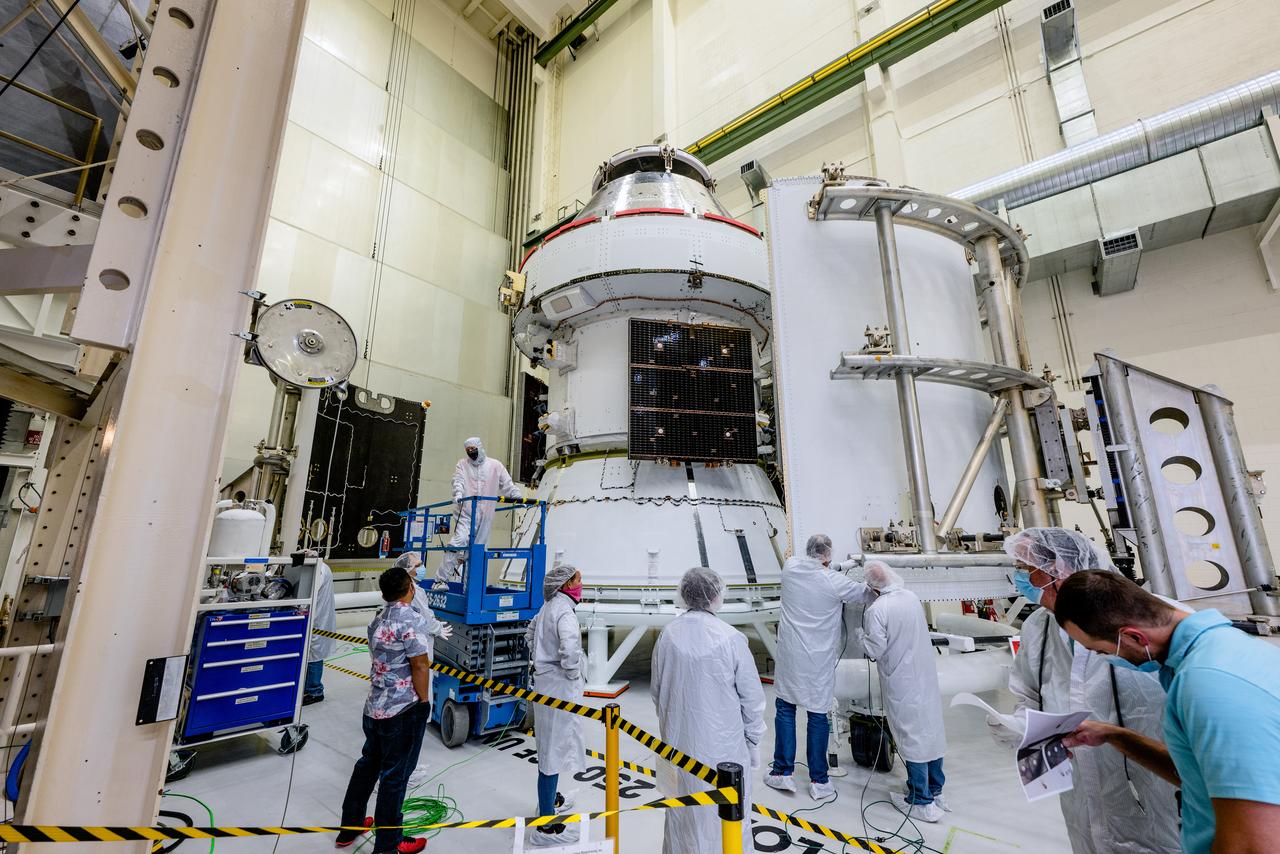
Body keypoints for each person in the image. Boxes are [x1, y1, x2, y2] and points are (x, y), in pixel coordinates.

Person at [1053, 570, 1280, 854]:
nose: (1108, 659)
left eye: (1100, 651)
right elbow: (1199, 774)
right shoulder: (1226, 650)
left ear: (1134, 637)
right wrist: (1114, 735)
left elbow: (1254, 845)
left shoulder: (1210, 684)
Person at [1004, 528, 1180, 854]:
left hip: (1150, 782)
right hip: (1077, 780)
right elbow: (1026, 688)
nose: (1022, 578)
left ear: (1061, 570)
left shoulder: (1151, 617)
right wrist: (1021, 723)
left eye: (1029, 571)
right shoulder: (1038, 626)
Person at [652, 567, 765, 854]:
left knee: (680, 814)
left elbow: (657, 690)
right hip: (723, 752)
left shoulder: (667, 635)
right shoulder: (730, 638)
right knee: (723, 822)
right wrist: (752, 741)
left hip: (675, 745)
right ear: (716, 596)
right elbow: (752, 698)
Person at [767, 534, 875, 800]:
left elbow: (816, 567)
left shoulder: (791, 568)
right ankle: (819, 780)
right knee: (817, 715)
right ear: (828, 555)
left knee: (785, 709)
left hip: (791, 656)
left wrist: (837, 566)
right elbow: (866, 594)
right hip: (818, 661)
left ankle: (782, 773)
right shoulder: (836, 583)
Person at [335, 567, 433, 854]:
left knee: (367, 766)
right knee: (394, 777)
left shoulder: (377, 620)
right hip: (402, 709)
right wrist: (424, 701)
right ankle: (389, 844)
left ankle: (349, 826)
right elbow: (419, 664)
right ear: (409, 589)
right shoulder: (411, 620)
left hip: (375, 706)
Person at [859, 562, 947, 824]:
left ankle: (921, 800)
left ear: (872, 586)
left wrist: (859, 637)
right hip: (924, 676)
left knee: (911, 738)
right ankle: (936, 789)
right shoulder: (911, 597)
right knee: (930, 731)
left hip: (901, 681)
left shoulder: (877, 610)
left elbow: (875, 649)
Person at [524, 563, 586, 847]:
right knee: (552, 753)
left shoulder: (548, 606)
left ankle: (550, 800)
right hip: (559, 690)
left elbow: (529, 634)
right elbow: (570, 648)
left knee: (550, 748)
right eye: (578, 580)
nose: (581, 584)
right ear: (565, 585)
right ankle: (545, 826)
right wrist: (572, 672)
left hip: (545, 686)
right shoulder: (564, 612)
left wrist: (540, 659)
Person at [392, 552, 454, 790]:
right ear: (408, 570)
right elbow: (425, 620)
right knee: (413, 712)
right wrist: (437, 628)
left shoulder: (412, 591)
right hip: (417, 656)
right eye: (418, 565)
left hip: (416, 654)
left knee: (408, 717)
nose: (422, 568)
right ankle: (402, 771)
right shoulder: (413, 593)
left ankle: (407, 767)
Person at [437, 437, 522, 585]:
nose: (471, 452)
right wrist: (457, 493)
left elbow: (507, 484)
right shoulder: (462, 464)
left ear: (480, 447)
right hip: (465, 512)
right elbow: (458, 480)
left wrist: (518, 498)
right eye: (468, 450)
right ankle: (440, 580)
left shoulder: (495, 465)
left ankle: (469, 588)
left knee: (477, 551)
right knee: (459, 542)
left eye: (473, 449)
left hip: (485, 516)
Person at [303, 550, 335, 705]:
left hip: (317, 619)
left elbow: (308, 592)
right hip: (316, 617)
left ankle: (315, 691)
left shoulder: (319, 570)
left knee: (314, 654)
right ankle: (308, 687)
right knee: (311, 653)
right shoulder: (322, 567)